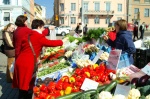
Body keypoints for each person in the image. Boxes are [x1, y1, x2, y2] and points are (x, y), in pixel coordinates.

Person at [12, 16, 63, 99]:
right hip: (27, 63)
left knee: (22, 85)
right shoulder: (37, 36)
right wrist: (62, 41)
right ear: (39, 27)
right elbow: (49, 43)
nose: (43, 29)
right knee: (24, 87)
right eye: (43, 27)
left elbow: (20, 46)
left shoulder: (28, 34)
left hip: (20, 60)